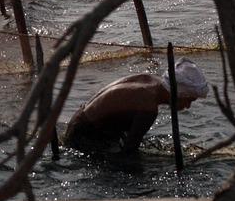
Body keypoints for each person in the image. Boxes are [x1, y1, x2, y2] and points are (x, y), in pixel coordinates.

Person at [62, 61, 209, 155]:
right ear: (178, 93)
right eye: (189, 100)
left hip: (78, 119)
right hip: (83, 136)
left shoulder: (150, 80)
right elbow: (129, 152)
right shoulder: (148, 108)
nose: (188, 106)